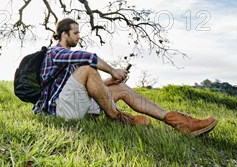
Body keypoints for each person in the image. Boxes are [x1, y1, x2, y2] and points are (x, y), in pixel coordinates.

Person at [33, 18, 218, 136]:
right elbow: (89, 58)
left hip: (73, 105)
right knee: (88, 67)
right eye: (76, 33)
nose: (79, 36)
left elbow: (82, 90)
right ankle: (118, 117)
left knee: (119, 88)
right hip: (59, 111)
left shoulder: (70, 62)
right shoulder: (55, 53)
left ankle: (181, 123)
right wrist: (113, 70)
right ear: (64, 34)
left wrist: (109, 82)